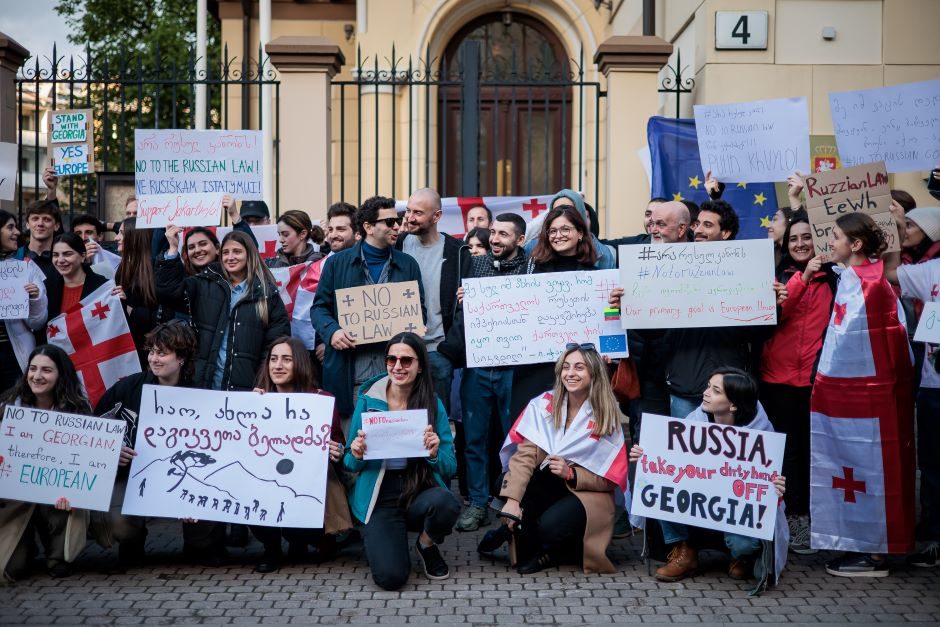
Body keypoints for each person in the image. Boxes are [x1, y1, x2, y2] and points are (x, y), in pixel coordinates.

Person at [814, 213, 914, 577]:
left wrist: (825, 385)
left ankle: (873, 554)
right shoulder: (856, 277)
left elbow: (853, 345)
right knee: (860, 471)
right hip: (862, 400)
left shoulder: (867, 284)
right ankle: (863, 546)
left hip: (864, 401)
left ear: (855, 245)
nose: (831, 243)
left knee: (870, 471)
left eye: (836, 237)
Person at [631, 367, 788, 588]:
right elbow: (668, 461)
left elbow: (767, 490)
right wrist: (646, 458)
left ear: (733, 404)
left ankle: (742, 556)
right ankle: (685, 550)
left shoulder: (763, 434)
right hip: (702, 504)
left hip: (734, 510)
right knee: (657, 482)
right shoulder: (696, 419)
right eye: (708, 386)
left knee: (742, 544)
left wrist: (776, 490)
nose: (705, 393)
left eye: (715, 391)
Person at [489, 344, 626, 575]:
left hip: (585, 492)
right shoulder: (543, 405)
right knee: (502, 485)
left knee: (551, 526)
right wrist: (512, 500)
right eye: (566, 367)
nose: (570, 373)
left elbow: (610, 480)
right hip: (548, 482)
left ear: (593, 372)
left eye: (579, 368)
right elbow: (524, 457)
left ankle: (563, 551)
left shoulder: (606, 416)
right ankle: (521, 531)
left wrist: (572, 474)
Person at [344, 332, 459, 590]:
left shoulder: (433, 403)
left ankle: (426, 544)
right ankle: (382, 540)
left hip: (418, 490)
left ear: (420, 367)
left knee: (447, 504)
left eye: (406, 361)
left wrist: (434, 454)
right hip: (380, 497)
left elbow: (450, 466)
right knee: (390, 578)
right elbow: (349, 463)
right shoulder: (367, 400)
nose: (397, 366)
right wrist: (357, 453)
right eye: (391, 359)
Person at [92, 321, 210, 568]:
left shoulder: (202, 395)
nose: (154, 359)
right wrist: (112, 450)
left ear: (182, 359)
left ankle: (198, 546)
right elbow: (94, 428)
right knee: (119, 522)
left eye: (163, 353)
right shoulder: (128, 388)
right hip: (132, 477)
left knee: (205, 534)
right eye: (152, 351)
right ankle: (133, 541)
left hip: (185, 477)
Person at [442, 213, 529, 532]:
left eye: (503, 234)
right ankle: (477, 503)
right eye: (492, 232)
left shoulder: (532, 268)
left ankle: (513, 499)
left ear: (519, 240)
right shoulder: (473, 266)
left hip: (514, 369)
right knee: (474, 440)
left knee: (515, 439)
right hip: (478, 367)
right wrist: (462, 301)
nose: (494, 239)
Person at [759, 210, 836, 554]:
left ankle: (809, 518)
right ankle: (786, 518)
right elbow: (774, 315)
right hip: (777, 379)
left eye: (807, 237)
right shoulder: (778, 275)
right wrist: (803, 277)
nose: (801, 243)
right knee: (783, 453)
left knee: (811, 453)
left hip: (818, 380)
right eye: (794, 238)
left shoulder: (837, 278)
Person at [312, 196, 426, 422]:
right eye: (389, 222)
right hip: (351, 373)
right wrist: (332, 331)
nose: (397, 226)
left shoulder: (408, 264)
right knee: (356, 446)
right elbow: (319, 309)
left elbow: (418, 311)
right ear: (368, 227)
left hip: (396, 376)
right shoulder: (336, 264)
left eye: (397, 220)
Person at [249, 337, 352, 573]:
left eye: (287, 360)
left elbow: (339, 444)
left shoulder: (322, 400)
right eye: (273, 359)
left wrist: (335, 449)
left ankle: (303, 539)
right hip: (267, 483)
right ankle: (271, 549)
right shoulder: (256, 401)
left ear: (301, 364)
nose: (278, 366)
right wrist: (249, 407)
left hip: (309, 487)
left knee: (320, 549)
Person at [0, 345, 93, 580]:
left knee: (68, 506)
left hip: (57, 498)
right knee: (11, 570)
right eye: (33, 369)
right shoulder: (8, 408)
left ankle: (58, 556)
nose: (37, 376)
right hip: (15, 501)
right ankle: (26, 545)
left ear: (60, 374)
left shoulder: (78, 412)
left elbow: (86, 465)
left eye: (46, 370)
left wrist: (74, 491)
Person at [156, 230, 290, 391]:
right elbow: (167, 292)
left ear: (250, 255)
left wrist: (263, 383)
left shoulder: (268, 295)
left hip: (246, 389)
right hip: (201, 385)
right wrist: (172, 249)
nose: (230, 257)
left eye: (237, 252)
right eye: (226, 252)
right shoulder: (203, 282)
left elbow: (274, 345)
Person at [510, 206, 599, 421]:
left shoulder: (596, 277)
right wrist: (475, 298)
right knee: (531, 437)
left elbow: (606, 319)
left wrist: (616, 305)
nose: (558, 235)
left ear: (580, 233)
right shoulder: (531, 270)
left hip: (576, 373)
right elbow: (510, 309)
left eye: (565, 229)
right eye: (552, 231)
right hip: (535, 371)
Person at [887, 247, 940, 567]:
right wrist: (891, 231)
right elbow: (891, 273)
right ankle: (934, 538)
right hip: (934, 385)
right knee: (933, 468)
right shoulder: (932, 269)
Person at [399, 188, 463, 411]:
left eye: (417, 212)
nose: (409, 217)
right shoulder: (398, 246)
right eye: (408, 211)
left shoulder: (458, 252)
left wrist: (448, 349)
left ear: (436, 217)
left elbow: (465, 305)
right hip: (401, 350)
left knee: (438, 420)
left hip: (438, 350)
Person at [0, 210, 47, 391]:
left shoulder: (26, 267)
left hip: (14, 355)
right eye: (10, 227)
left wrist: (35, 298)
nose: (17, 232)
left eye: (16, 227)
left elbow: (38, 322)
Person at [115, 218, 169, 367]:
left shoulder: (155, 271)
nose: (116, 238)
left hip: (150, 352)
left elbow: (161, 315)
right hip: (129, 349)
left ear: (134, 237)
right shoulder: (121, 269)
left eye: (121, 233)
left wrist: (130, 309)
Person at [524, 190, 615, 269]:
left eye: (569, 209)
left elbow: (606, 284)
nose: (562, 213)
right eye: (557, 210)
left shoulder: (602, 252)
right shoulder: (532, 247)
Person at [45, 232, 112, 323]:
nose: (60, 260)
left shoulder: (103, 287)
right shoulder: (47, 287)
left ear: (83, 256)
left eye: (67, 254)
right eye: (55, 255)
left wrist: (121, 301)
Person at [16, 199, 63, 280]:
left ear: (57, 226)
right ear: (27, 224)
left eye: (46, 219)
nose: (40, 224)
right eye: (35, 218)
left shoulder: (64, 260)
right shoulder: (14, 257)